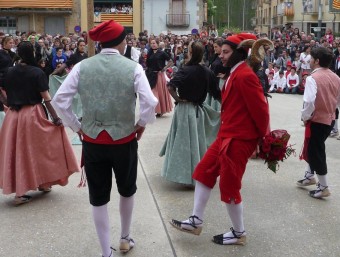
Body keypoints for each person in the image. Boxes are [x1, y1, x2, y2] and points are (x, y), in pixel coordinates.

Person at [51, 20, 158, 257]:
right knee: (127, 190)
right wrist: (141, 124)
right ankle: (124, 237)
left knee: (98, 197)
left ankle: (104, 252)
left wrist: (77, 126)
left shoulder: (82, 66)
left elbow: (60, 100)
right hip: (124, 140)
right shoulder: (133, 67)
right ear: (121, 42)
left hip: (93, 141)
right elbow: (150, 102)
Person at [170, 33, 269, 245]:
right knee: (203, 172)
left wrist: (263, 140)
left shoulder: (245, 75)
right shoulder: (235, 72)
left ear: (239, 53)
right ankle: (196, 220)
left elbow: (261, 111)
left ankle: (239, 232)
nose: (220, 55)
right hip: (226, 135)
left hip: (239, 139)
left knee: (230, 186)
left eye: (225, 52)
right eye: (220, 51)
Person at [0, 41, 80, 205]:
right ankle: (42, 183)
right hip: (32, 114)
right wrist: (56, 118)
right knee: (40, 150)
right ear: (33, 53)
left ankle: (30, 188)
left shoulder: (9, 71)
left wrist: (8, 102)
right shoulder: (37, 72)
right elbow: (46, 98)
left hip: (13, 116)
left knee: (18, 153)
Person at [160, 41, 221, 186]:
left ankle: (182, 174)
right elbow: (217, 94)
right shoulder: (207, 71)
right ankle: (196, 174)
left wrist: (179, 99)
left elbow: (170, 86)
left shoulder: (185, 70)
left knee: (183, 144)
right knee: (197, 143)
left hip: (184, 110)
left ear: (191, 53)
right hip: (197, 110)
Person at [297, 47, 340, 198]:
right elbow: (338, 100)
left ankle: (323, 186)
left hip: (317, 120)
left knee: (316, 152)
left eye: (311, 58)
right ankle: (309, 176)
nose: (309, 60)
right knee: (313, 148)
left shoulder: (312, 78)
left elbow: (309, 101)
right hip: (330, 119)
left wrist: (305, 116)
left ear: (317, 61)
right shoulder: (335, 77)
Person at [146, 39, 173, 116]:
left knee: (159, 93)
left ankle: (160, 110)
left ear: (157, 44)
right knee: (151, 93)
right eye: (151, 43)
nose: (153, 45)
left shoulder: (162, 53)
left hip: (159, 75)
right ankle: (153, 110)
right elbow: (148, 64)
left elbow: (170, 61)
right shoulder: (149, 52)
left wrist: (164, 68)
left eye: (154, 43)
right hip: (151, 75)